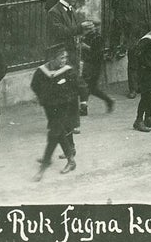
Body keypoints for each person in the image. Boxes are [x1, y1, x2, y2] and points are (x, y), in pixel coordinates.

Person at [31, 45, 82, 180]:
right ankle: (71, 160)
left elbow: (79, 86)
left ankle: (43, 168)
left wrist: (78, 101)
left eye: (65, 57)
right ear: (52, 59)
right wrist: (42, 96)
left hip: (64, 107)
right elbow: (34, 85)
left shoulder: (68, 71)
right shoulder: (42, 71)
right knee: (58, 133)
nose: (64, 60)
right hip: (49, 107)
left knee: (54, 133)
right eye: (61, 57)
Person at [79, 21, 115, 115]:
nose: (87, 30)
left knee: (86, 86)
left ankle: (83, 108)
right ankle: (108, 100)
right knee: (92, 88)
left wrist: (87, 47)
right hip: (88, 64)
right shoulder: (86, 37)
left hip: (94, 66)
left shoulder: (98, 38)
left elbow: (99, 53)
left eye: (90, 28)